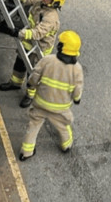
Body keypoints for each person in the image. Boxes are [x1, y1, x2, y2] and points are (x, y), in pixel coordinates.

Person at [18, 30, 83, 161]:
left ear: (61, 47)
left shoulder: (47, 60)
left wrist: (31, 85)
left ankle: (26, 151)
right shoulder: (76, 69)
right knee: (63, 126)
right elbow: (78, 88)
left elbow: (34, 76)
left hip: (41, 102)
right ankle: (66, 145)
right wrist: (77, 99)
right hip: (60, 108)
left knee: (34, 125)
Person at [0, 0, 66, 92]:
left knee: (33, 72)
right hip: (28, 42)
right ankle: (15, 83)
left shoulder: (51, 18)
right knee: (20, 64)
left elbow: (37, 34)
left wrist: (19, 33)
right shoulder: (43, 0)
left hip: (39, 49)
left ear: (55, 3)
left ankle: (30, 94)